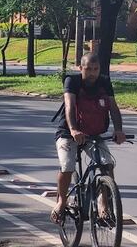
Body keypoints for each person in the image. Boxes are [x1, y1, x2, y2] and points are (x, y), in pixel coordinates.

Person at [50, 51, 127, 224]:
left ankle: (103, 203)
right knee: (68, 166)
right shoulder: (72, 81)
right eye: (89, 69)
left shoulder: (104, 82)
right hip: (68, 132)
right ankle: (61, 201)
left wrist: (119, 130)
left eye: (96, 69)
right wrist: (73, 130)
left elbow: (113, 107)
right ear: (81, 68)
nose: (92, 73)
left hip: (93, 133)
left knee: (107, 164)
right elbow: (69, 106)